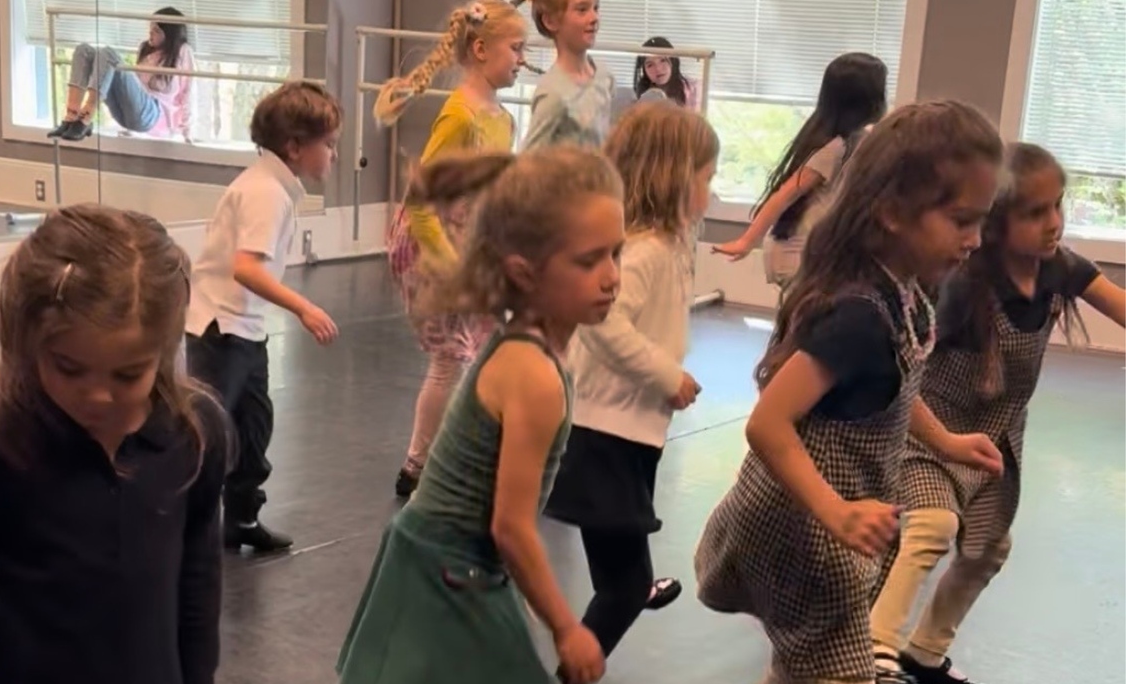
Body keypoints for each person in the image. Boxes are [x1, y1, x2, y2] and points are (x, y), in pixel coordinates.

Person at [694, 100, 1009, 684]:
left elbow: (896, 382)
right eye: (960, 220)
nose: (974, 239)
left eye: (980, 221)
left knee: (802, 670)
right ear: (892, 212)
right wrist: (835, 511)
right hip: (804, 532)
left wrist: (945, 441)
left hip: (830, 525)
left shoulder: (904, 293)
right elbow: (767, 423)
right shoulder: (858, 316)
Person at [0, 205, 226, 684]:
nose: (98, 395)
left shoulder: (195, 437)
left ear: (164, 352)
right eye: (69, 369)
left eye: (127, 374)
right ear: (30, 346)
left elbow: (199, 583)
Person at [337, 145, 625, 684]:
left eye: (616, 253)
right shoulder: (533, 373)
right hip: (445, 570)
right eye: (589, 261)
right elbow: (511, 528)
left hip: (455, 562)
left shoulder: (532, 347)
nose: (611, 276)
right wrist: (566, 627)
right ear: (524, 272)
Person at [869, 142, 1126, 683]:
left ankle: (925, 653)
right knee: (932, 524)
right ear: (995, 219)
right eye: (1035, 212)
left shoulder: (1059, 268)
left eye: (1058, 205)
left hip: (997, 437)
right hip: (930, 431)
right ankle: (875, 651)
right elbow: (898, 368)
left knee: (988, 547)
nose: (1053, 223)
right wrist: (934, 436)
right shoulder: (963, 286)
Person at [543, 101, 718, 661]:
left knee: (620, 577)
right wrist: (666, 375)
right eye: (706, 178)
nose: (712, 191)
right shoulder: (645, 253)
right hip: (603, 437)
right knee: (625, 585)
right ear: (674, 179)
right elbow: (602, 322)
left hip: (623, 435)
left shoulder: (660, 246)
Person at [373, 0, 530, 497]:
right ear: (481, 50)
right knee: (450, 358)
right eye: (516, 48)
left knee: (479, 352)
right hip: (430, 247)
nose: (523, 59)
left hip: (467, 244)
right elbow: (421, 203)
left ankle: (453, 459)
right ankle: (417, 466)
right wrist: (451, 265)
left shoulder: (502, 119)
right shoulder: (460, 116)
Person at [185, 81, 342, 554]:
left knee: (253, 428)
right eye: (328, 145)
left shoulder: (273, 187)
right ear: (294, 147)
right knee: (208, 433)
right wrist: (304, 307)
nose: (333, 155)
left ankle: (241, 520)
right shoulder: (266, 193)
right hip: (221, 330)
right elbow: (247, 268)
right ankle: (186, 529)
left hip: (243, 329)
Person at [712, 52, 888, 290]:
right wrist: (746, 241)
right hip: (795, 255)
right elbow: (786, 194)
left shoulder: (858, 141)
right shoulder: (835, 149)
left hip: (812, 253)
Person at [48, 6, 195, 142]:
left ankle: (85, 117)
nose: (150, 33)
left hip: (154, 115)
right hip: (126, 113)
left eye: (156, 30)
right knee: (83, 50)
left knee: (108, 54)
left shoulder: (182, 51)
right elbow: (133, 90)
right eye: (150, 28)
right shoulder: (145, 48)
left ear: (169, 35)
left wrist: (186, 132)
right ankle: (71, 117)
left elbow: (187, 93)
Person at [521, 0, 615, 151]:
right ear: (550, 21)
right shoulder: (553, 94)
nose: (594, 17)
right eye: (582, 10)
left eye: (596, 8)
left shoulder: (605, 77)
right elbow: (529, 158)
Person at [632, 36, 699, 109]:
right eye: (650, 65)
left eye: (663, 60)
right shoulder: (642, 94)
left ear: (672, 61)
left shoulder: (693, 90)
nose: (658, 69)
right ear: (644, 71)